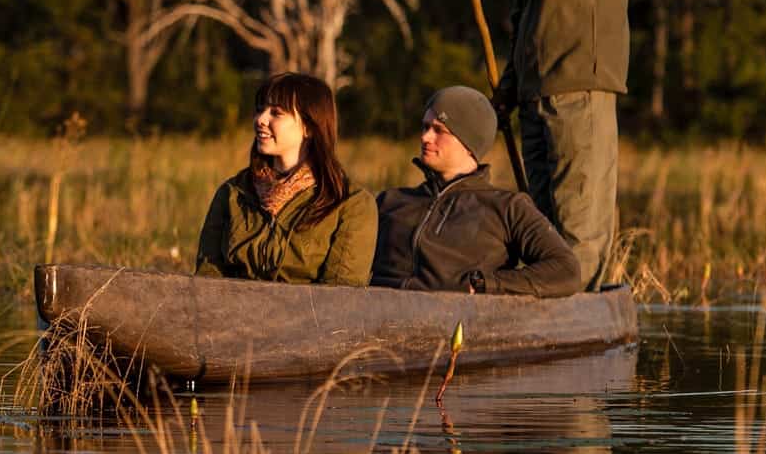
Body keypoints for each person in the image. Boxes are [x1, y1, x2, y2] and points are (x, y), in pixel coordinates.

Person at [447, 0, 629, 290]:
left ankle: (581, 319)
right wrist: (510, 85)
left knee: (578, 222)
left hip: (578, 89)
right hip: (536, 91)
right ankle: (547, 312)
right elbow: (529, 11)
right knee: (541, 223)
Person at [371, 86, 579, 296]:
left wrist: (484, 283)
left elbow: (566, 270)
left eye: (438, 130)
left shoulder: (507, 207)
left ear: (468, 141)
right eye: (425, 127)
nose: (426, 137)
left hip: (452, 324)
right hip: (373, 321)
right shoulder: (390, 201)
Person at [194, 72, 376, 286]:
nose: (260, 120)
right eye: (260, 110)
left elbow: (340, 300)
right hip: (234, 315)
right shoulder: (232, 193)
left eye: (276, 113)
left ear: (308, 127)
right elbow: (207, 281)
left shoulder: (351, 204)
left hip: (306, 319)